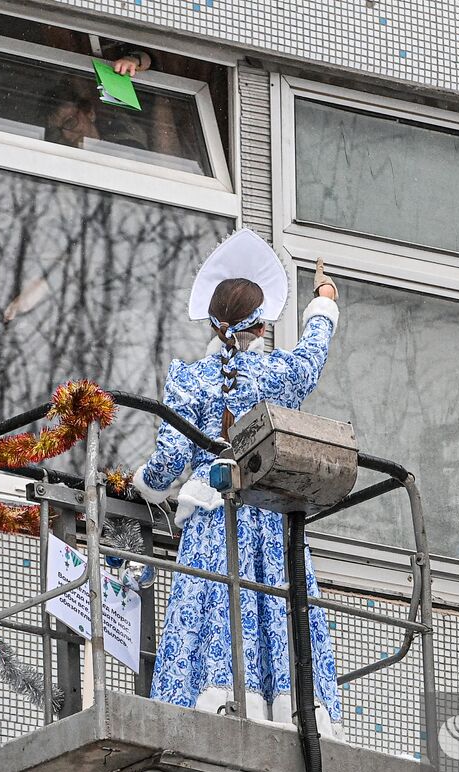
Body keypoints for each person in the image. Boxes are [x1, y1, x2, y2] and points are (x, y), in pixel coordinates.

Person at [132, 229, 344, 736]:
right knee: (275, 601)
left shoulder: (189, 377)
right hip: (271, 517)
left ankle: (208, 706)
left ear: (213, 321)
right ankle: (292, 714)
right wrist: (325, 303)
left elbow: (167, 465)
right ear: (262, 325)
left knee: (210, 607)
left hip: (212, 521)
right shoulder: (277, 374)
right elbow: (313, 354)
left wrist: (139, 484)